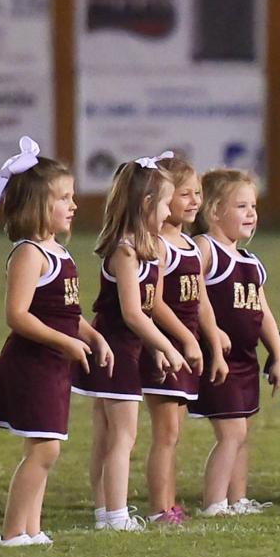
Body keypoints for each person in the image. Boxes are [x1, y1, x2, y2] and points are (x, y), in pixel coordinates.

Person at [0, 138, 114, 546]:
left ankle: (32, 529)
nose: (73, 205)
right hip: (32, 364)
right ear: (38, 204)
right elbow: (17, 315)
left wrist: (93, 337)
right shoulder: (28, 254)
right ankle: (11, 532)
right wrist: (67, 343)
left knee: (47, 446)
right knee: (44, 450)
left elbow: (68, 313)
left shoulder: (59, 251)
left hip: (54, 362)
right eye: (63, 198)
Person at [73, 156, 187, 532]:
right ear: (147, 204)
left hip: (128, 347)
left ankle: (106, 513)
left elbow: (149, 310)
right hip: (114, 348)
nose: (171, 211)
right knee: (120, 436)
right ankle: (115, 515)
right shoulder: (125, 250)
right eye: (167, 203)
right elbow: (134, 313)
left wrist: (155, 347)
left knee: (111, 435)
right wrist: (169, 347)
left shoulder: (151, 246)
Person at [189, 169, 280, 516]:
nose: (252, 214)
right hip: (219, 359)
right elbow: (192, 290)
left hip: (246, 360)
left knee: (242, 431)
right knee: (230, 433)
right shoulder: (205, 248)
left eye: (254, 206)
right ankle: (214, 502)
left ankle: (238, 498)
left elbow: (263, 312)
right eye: (242, 206)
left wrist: (278, 354)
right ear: (214, 211)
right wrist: (211, 333)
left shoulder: (249, 261)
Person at [140, 157, 230, 525]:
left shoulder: (191, 245)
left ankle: (171, 503)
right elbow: (154, 301)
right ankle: (161, 509)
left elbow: (201, 300)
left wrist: (212, 338)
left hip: (187, 346)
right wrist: (181, 341)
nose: (194, 201)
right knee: (166, 432)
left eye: (198, 194)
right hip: (165, 348)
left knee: (174, 433)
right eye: (185, 194)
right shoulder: (158, 244)